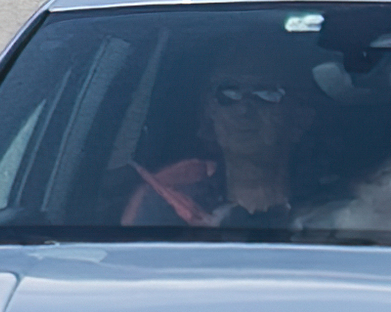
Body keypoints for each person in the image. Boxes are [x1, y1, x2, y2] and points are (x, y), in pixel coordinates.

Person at [124, 48, 319, 227]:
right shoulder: (164, 206)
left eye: (266, 93)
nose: (243, 110)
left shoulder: (337, 215)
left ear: (301, 117)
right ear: (210, 113)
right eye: (228, 93)